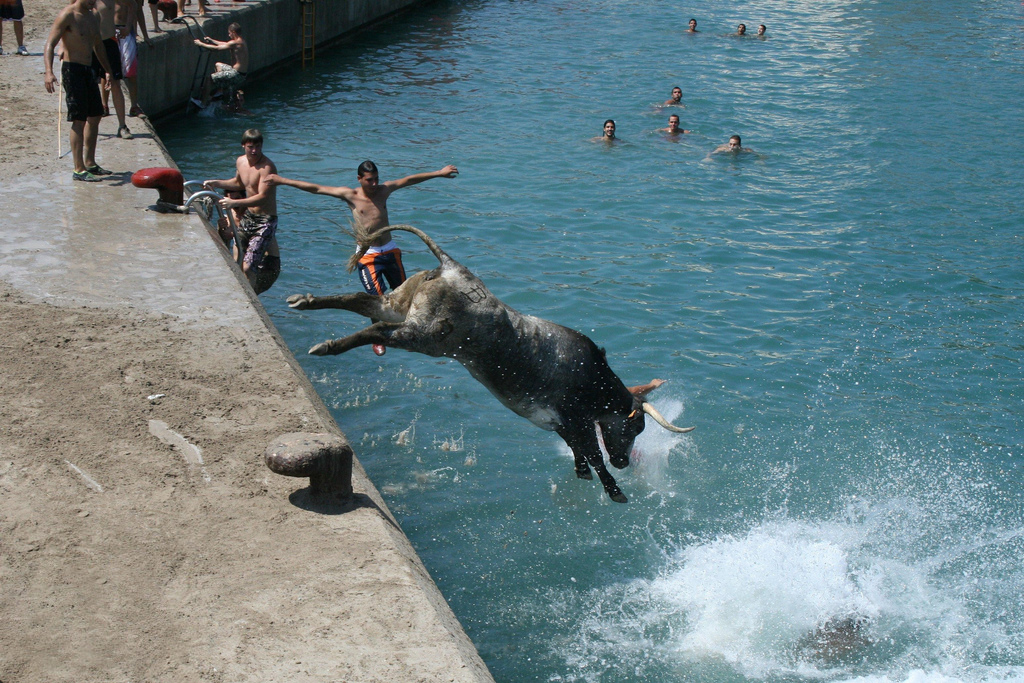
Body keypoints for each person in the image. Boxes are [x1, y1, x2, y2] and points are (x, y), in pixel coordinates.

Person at [265, 161, 459, 355]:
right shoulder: (351, 196)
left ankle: (415, 332)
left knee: (405, 296)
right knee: (376, 299)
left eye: (376, 179)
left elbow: (409, 180)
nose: (374, 184)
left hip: (390, 252)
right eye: (369, 180)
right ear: (359, 179)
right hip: (368, 256)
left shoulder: (384, 191)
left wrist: (439, 173)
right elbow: (316, 189)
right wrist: (282, 180)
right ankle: (376, 337)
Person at [203, 129, 281, 295]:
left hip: (265, 220)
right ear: (243, 146)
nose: (254, 151)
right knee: (236, 258)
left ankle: (250, 298)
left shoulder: (267, 168)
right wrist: (216, 183)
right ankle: (237, 291)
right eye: (250, 147)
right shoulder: (241, 162)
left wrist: (233, 203)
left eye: (258, 147)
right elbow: (239, 183)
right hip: (249, 216)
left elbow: (263, 197)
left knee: (247, 266)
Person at [44, 0, 115, 181]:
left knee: (95, 115)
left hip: (88, 68)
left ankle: (90, 162)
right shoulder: (68, 15)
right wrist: (49, 72)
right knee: (79, 119)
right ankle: (78, 169)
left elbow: (98, 45)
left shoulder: (94, 15)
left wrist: (107, 70)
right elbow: (50, 44)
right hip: (72, 69)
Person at [93, 0, 132, 139]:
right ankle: (86, 125)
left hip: (108, 41)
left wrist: (128, 26)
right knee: (88, 84)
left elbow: (132, 4)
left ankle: (122, 126)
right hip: (89, 42)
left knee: (115, 83)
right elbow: (72, 14)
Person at [193, 22, 247, 108]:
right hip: (238, 72)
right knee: (218, 65)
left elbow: (217, 48)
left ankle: (202, 103)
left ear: (233, 32)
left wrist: (201, 44)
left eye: (229, 33)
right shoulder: (240, 41)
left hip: (236, 74)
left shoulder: (236, 43)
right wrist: (211, 40)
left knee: (209, 79)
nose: (229, 35)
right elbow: (225, 44)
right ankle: (219, 92)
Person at [115, 0, 148, 117]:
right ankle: (104, 105)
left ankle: (134, 106)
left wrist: (129, 27)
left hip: (125, 30)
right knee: (107, 71)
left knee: (131, 71)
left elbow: (135, 7)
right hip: (108, 31)